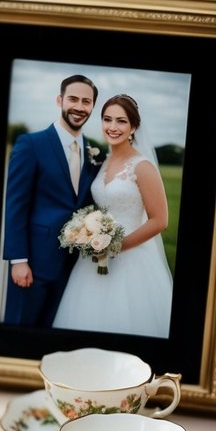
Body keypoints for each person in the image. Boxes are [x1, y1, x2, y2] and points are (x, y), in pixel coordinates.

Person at [53, 92, 173, 337]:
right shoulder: (103, 161)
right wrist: (86, 234)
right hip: (93, 258)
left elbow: (160, 220)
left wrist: (116, 246)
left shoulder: (142, 166)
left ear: (134, 127)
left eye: (121, 121)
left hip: (132, 261)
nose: (113, 127)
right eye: (107, 119)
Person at [3, 74, 100, 327]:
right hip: (33, 264)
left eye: (86, 102)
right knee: (19, 333)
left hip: (71, 268)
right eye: (73, 99)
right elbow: (15, 205)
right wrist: (19, 260)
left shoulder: (92, 151)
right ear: (60, 100)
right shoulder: (31, 144)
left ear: (92, 107)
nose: (79, 107)